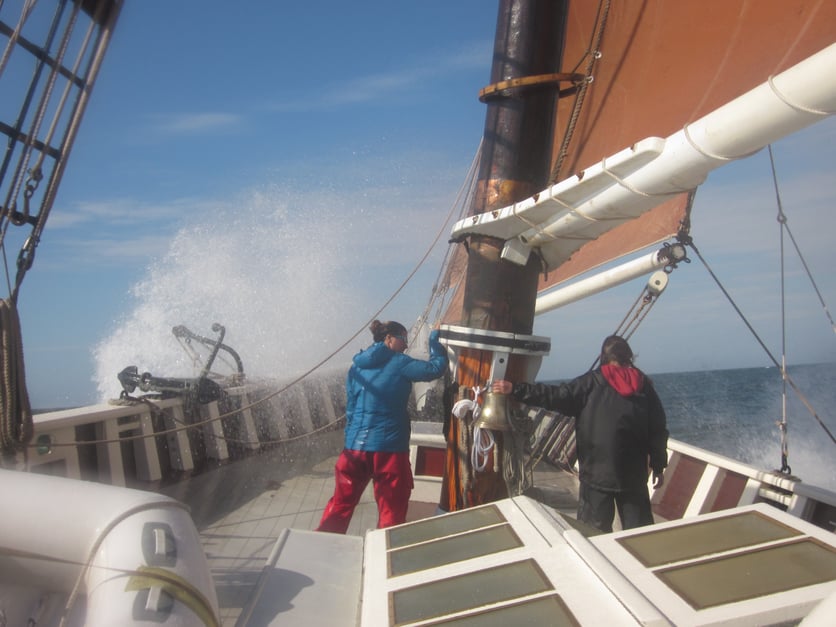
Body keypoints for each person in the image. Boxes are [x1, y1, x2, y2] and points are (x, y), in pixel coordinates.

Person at [492, 335, 667, 533]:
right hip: (633, 476)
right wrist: (658, 466)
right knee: (639, 532)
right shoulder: (644, 386)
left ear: (603, 357)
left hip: (596, 475)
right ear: (629, 357)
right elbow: (658, 429)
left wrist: (516, 389)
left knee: (592, 533)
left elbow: (555, 396)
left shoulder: (590, 383)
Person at [316, 320, 448, 533]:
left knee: (340, 505)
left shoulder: (356, 367)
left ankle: (321, 546)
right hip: (389, 452)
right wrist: (434, 339)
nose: (406, 345)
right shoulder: (400, 363)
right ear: (388, 339)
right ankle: (385, 556)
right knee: (391, 512)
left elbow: (350, 409)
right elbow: (434, 369)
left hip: (354, 451)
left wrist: (350, 442)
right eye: (403, 339)